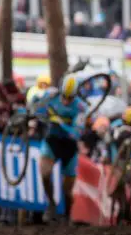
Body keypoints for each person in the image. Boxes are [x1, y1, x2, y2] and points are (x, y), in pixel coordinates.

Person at [30, 74, 88, 222]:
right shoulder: (51, 95)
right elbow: (34, 106)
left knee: (67, 190)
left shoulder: (81, 107)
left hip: (69, 147)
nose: (66, 101)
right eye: (64, 97)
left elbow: (77, 133)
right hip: (52, 141)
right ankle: (51, 203)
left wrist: (61, 123)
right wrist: (37, 104)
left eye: (70, 98)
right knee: (44, 172)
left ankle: (67, 214)